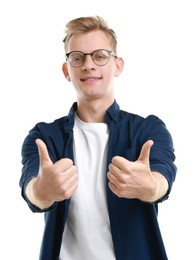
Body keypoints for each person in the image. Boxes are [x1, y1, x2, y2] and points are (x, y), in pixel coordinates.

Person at [19, 15, 177, 260]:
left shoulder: (148, 130)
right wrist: (41, 190)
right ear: (66, 70)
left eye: (100, 55)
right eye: (77, 58)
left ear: (117, 65)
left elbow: (162, 177)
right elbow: (30, 189)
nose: (88, 65)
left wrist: (150, 185)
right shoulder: (43, 137)